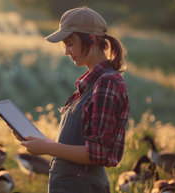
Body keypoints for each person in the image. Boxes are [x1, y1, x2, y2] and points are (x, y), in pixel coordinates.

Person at [12, 6, 130, 193]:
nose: (66, 51)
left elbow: (97, 152)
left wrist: (48, 147)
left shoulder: (107, 84)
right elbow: (77, 143)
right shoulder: (91, 84)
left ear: (91, 39)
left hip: (81, 185)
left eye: (70, 43)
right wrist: (38, 142)